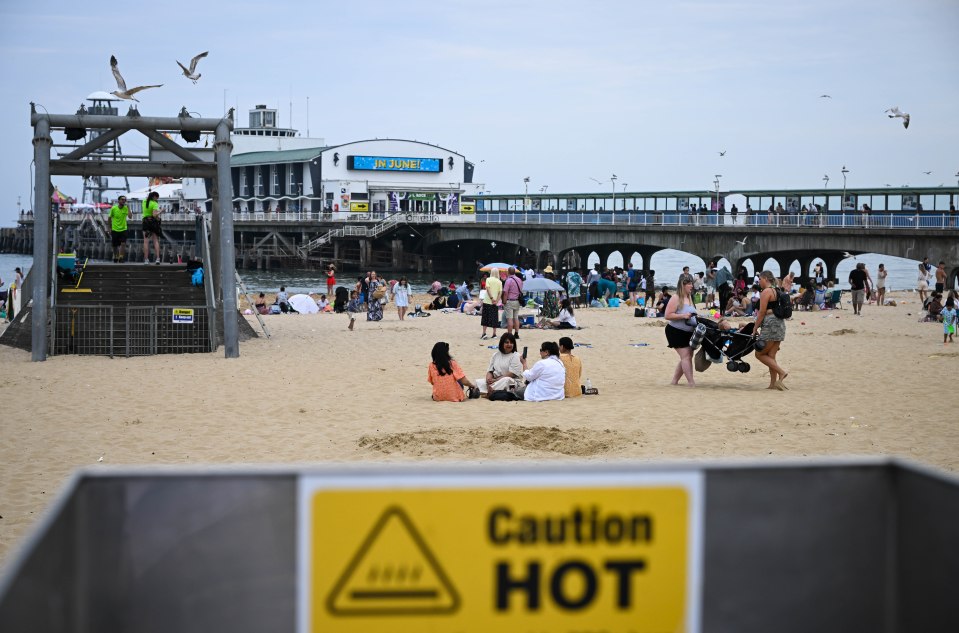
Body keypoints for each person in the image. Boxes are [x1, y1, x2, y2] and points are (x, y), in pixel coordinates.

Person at [754, 270, 789, 391]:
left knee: (759, 354)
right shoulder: (776, 290)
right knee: (771, 355)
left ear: (765, 279)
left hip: (770, 325)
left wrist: (755, 327)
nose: (759, 281)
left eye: (760, 279)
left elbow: (762, 312)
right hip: (780, 324)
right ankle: (773, 384)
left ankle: (782, 372)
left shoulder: (766, 291)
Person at [664, 273, 698, 387]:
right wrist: (683, 316)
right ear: (683, 285)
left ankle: (674, 381)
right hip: (675, 331)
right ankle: (691, 383)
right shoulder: (676, 298)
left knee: (687, 357)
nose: (692, 286)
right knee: (686, 356)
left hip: (688, 333)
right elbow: (667, 315)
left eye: (692, 283)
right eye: (689, 284)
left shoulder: (689, 297)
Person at [106, 195, 131, 263]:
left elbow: (130, 217)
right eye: (122, 199)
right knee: (115, 246)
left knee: (123, 244)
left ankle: (121, 257)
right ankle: (115, 256)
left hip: (123, 229)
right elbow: (109, 218)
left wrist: (128, 207)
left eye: (125, 200)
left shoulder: (126, 208)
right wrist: (109, 228)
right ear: (119, 201)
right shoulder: (114, 208)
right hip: (115, 229)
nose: (124, 201)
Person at [141, 191, 163, 264]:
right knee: (155, 240)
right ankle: (157, 259)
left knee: (146, 241)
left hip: (145, 222)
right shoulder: (154, 203)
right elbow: (154, 215)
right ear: (154, 197)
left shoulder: (144, 201)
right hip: (153, 223)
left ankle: (146, 260)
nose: (157, 199)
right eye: (157, 198)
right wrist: (161, 211)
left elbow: (147, 199)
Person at [503, 267, 524, 339]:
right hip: (517, 301)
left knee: (509, 319)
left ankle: (509, 335)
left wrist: (504, 301)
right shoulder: (519, 280)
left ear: (508, 272)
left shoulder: (508, 280)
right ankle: (516, 333)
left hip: (510, 300)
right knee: (516, 318)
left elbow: (505, 292)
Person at [481, 268, 502, 339]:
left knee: (485, 317)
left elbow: (487, 289)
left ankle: (484, 333)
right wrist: (496, 300)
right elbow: (500, 293)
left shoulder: (488, 279)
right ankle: (494, 334)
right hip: (495, 303)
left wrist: (491, 298)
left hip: (487, 301)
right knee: (494, 318)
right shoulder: (499, 281)